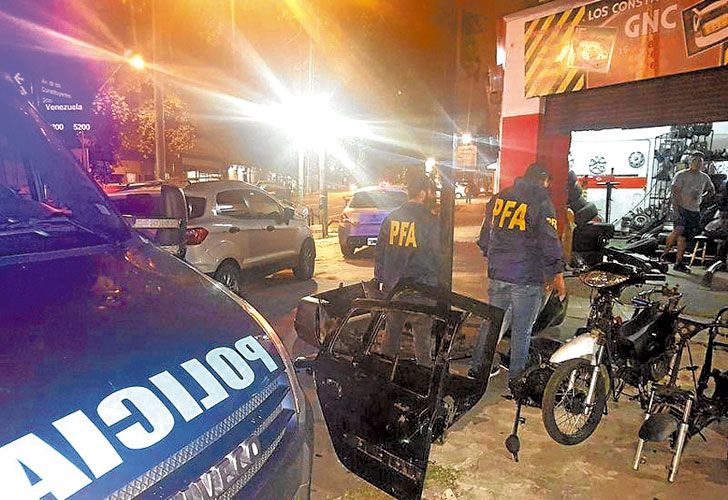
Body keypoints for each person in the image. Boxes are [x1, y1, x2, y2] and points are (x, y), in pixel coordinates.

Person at [471, 163, 566, 388]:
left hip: (498, 273)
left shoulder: (499, 198)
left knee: (493, 322)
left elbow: (486, 234)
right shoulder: (541, 200)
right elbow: (549, 240)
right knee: (522, 330)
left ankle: (477, 369)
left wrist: (493, 255)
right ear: (543, 180)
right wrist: (557, 274)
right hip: (526, 277)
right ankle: (516, 379)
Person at [374, 170, 440, 367]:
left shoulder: (392, 218)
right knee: (422, 343)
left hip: (395, 290)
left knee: (391, 338)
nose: (432, 194)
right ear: (422, 193)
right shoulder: (430, 221)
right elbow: (438, 255)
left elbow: (380, 254)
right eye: (430, 191)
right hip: (422, 290)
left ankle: (385, 374)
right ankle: (423, 379)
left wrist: (381, 282)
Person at [662, 151, 715, 273]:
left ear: (703, 164)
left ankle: (678, 262)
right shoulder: (681, 175)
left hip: (694, 210)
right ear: (690, 162)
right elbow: (674, 193)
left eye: (700, 161)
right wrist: (677, 210)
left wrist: (702, 198)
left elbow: (711, 190)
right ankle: (664, 254)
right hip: (681, 209)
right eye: (695, 160)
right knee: (678, 232)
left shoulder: (704, 177)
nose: (697, 163)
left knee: (684, 237)